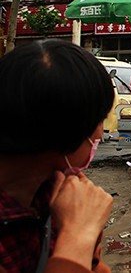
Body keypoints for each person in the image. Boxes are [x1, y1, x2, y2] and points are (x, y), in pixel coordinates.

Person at [0, 40, 114, 272]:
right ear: (69, 129)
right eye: (100, 119)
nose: (101, 132)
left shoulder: (58, 198)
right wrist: (78, 236)